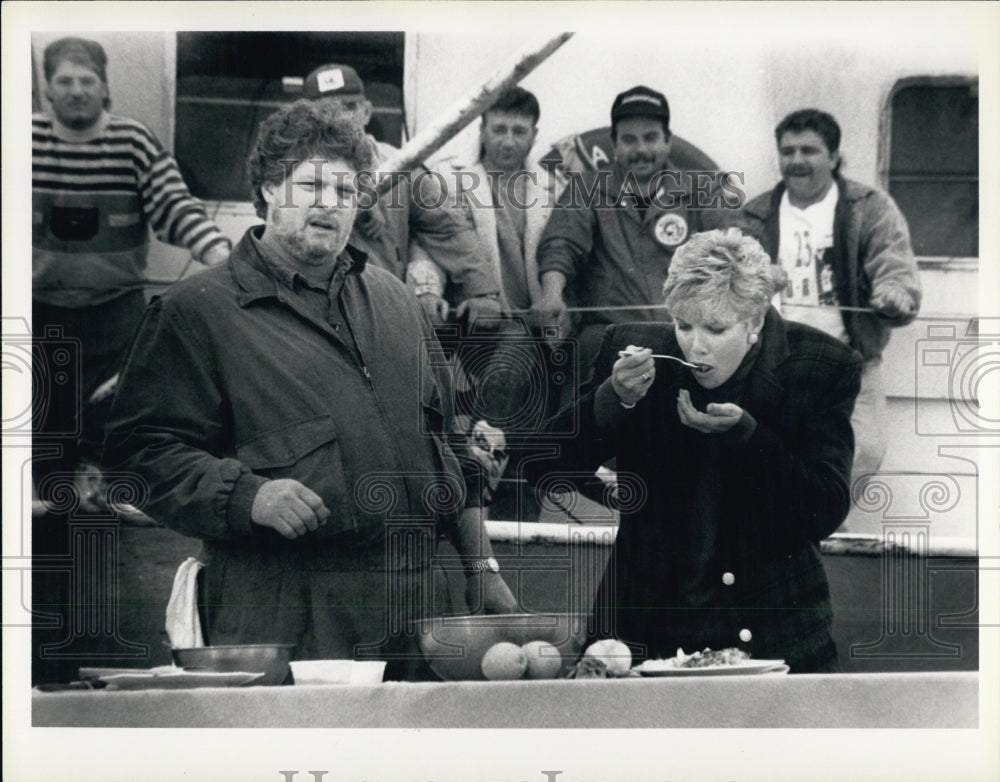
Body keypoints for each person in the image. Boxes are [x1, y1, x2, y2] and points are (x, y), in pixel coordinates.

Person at [103, 99, 517, 679]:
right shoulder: (196, 312)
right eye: (310, 184)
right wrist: (249, 496)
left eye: (346, 191)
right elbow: (137, 456)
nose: (329, 203)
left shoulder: (398, 302)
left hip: (422, 615)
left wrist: (482, 569)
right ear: (270, 188)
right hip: (289, 617)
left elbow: (449, 446)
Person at [529, 228, 862, 673]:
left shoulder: (821, 365)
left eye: (717, 328)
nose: (696, 344)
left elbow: (825, 510)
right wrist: (613, 400)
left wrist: (750, 438)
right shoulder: (633, 349)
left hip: (775, 633)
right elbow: (542, 465)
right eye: (683, 325)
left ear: (756, 323)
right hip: (643, 633)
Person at [32, 37, 231, 507]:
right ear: (48, 89)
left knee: (112, 414)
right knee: (43, 418)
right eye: (65, 81)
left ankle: (98, 502)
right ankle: (45, 517)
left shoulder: (133, 141)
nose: (77, 90)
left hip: (116, 313)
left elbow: (175, 208)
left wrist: (222, 253)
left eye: (87, 81)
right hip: (36, 312)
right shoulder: (21, 141)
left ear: (104, 88)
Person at [732, 109, 921, 480]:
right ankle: (798, 531)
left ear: (834, 157)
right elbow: (731, 277)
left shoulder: (870, 208)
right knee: (768, 455)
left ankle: (814, 527)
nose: (797, 161)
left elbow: (894, 266)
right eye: (788, 152)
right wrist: (756, 278)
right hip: (774, 362)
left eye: (809, 150)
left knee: (863, 452)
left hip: (851, 361)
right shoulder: (754, 214)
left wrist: (894, 294)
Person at [407, 87, 565, 509]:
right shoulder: (450, 178)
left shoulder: (555, 187)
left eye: (518, 131)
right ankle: (478, 454)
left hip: (536, 333)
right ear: (482, 129)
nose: (508, 140)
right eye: (498, 129)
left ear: (534, 135)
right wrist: (429, 292)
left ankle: (502, 502)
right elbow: (432, 245)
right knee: (516, 355)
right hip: (474, 325)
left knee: (528, 425)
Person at [534, 85, 729, 374]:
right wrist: (552, 294)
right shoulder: (585, 187)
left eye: (650, 138)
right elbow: (561, 245)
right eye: (629, 140)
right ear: (614, 144)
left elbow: (733, 242)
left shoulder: (704, 188)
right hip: (609, 338)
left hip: (686, 335)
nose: (640, 150)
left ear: (667, 141)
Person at [301, 63, 501, 327]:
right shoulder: (291, 172)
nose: (338, 120)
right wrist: (349, 205)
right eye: (326, 111)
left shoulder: (400, 165)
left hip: (385, 315)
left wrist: (481, 291)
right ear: (306, 119)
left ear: (366, 112)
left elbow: (447, 227)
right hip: (317, 318)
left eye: (348, 108)